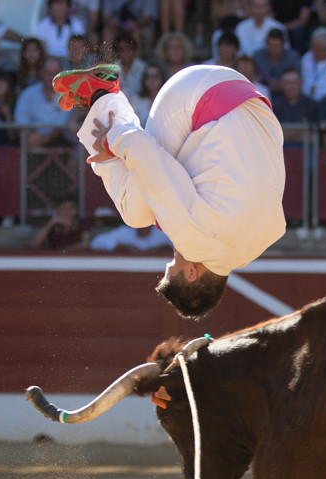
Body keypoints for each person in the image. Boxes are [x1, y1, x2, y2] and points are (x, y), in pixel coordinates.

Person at [55, 62, 287, 318]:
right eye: (173, 264)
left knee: (154, 204)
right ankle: (101, 96)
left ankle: (105, 105)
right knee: (136, 213)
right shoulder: (197, 242)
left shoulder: (262, 241)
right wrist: (111, 142)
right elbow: (143, 151)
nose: (174, 252)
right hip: (198, 94)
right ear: (191, 273)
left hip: (247, 93)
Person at [15, 57, 75, 148]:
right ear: (41, 73)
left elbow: (63, 126)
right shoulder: (27, 95)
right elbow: (21, 122)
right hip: (32, 143)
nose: (51, 77)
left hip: (61, 143)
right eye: (48, 73)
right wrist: (32, 138)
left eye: (55, 73)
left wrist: (45, 139)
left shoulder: (70, 95)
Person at [274, 67, 320, 147]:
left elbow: (315, 137)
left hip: (306, 150)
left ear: (301, 83)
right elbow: (273, 135)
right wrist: (300, 134)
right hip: (281, 151)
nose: (291, 86)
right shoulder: (276, 105)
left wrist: (287, 134)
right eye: (287, 83)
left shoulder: (312, 105)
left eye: (295, 82)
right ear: (282, 85)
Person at [254, 29, 301, 96]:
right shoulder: (258, 56)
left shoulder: (293, 57)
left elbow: (297, 81)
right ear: (266, 44)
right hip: (262, 94)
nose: (273, 50)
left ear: (283, 44)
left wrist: (280, 85)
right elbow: (253, 78)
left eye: (277, 47)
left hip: (286, 96)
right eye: (270, 46)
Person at [90, 223, 173, 252]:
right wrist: (122, 246)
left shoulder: (162, 233)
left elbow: (177, 245)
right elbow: (96, 242)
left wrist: (163, 247)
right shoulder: (124, 232)